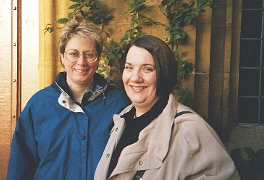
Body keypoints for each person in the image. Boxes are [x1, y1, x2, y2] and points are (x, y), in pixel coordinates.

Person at [94, 35, 240, 180]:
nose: (135, 78)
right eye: (129, 67)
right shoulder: (123, 119)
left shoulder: (189, 129)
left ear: (164, 73)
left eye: (147, 69)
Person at [7, 20, 130, 180]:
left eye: (89, 54)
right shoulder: (38, 105)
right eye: (73, 54)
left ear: (98, 60)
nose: (81, 62)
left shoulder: (119, 104)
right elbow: (20, 169)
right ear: (62, 58)